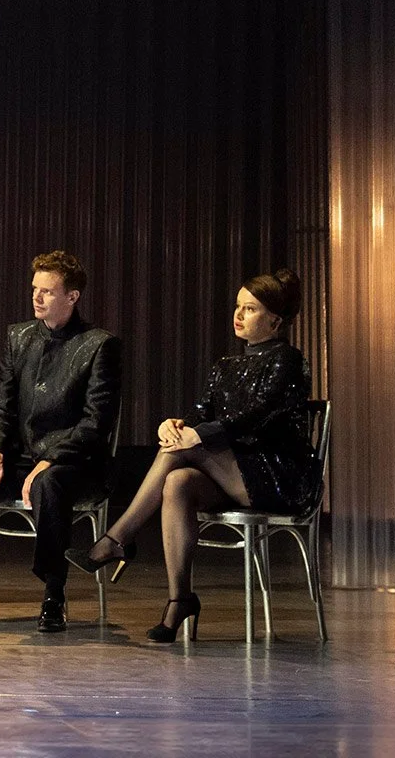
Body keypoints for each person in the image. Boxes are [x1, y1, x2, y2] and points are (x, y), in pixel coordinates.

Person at [71, 268, 318, 643]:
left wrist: (195, 435)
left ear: (275, 321)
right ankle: (179, 599)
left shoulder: (287, 360)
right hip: (235, 474)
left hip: (278, 476)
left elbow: (255, 417)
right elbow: (201, 413)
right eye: (238, 306)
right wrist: (175, 425)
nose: (238, 315)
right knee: (177, 482)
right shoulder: (226, 366)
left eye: (250, 309)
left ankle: (116, 540)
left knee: (185, 449)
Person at [0, 250, 122, 633]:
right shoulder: (19, 337)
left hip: (76, 465)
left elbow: (95, 424)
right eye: (35, 289)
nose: (36, 297)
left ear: (72, 297)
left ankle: (53, 596)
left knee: (49, 482)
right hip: (25, 461)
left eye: (47, 291)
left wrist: (51, 459)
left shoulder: (99, 345)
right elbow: (4, 406)